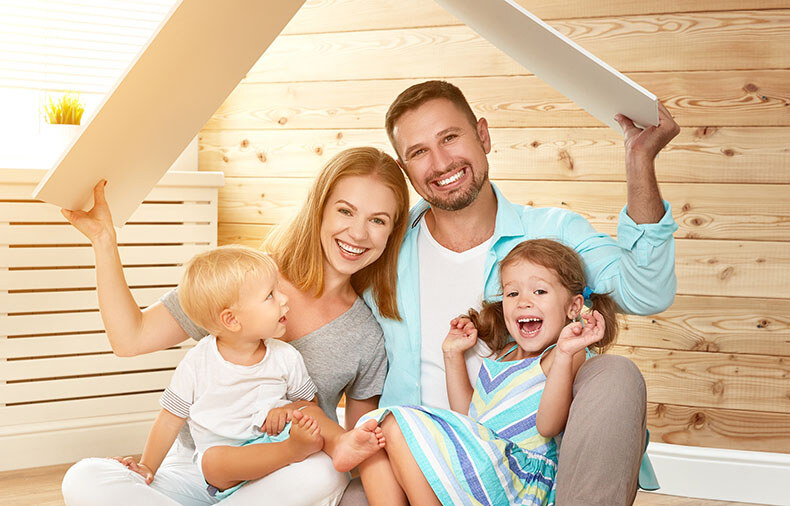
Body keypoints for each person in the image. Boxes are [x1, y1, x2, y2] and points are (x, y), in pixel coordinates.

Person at [359, 80, 679, 504]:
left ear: (484, 136)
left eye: (450, 137)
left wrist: (640, 162)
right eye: (419, 152)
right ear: (406, 168)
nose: (440, 162)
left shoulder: (551, 233)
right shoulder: (383, 246)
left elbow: (647, 293)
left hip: (525, 467)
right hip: (417, 463)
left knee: (616, 375)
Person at [61, 147, 410, 506]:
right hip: (198, 468)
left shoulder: (365, 333)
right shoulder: (243, 278)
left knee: (325, 471)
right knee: (85, 478)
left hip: (283, 473)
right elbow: (130, 338)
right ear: (319, 210)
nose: (358, 233)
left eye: (378, 220)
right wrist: (104, 241)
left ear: (392, 231)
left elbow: (353, 440)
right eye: (345, 211)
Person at [354, 239, 619, 505]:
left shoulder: (564, 355)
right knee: (375, 431)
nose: (523, 302)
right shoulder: (503, 354)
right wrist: (452, 354)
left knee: (394, 422)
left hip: (518, 478)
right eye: (512, 293)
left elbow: (548, 425)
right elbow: (471, 417)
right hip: (486, 465)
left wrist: (563, 353)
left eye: (539, 291)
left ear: (573, 307)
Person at [121, 245, 330, 500]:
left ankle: (344, 444)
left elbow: (309, 403)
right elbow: (169, 419)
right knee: (213, 460)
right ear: (231, 320)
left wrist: (287, 410)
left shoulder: (285, 355)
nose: (284, 299)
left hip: (269, 448)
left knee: (314, 415)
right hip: (227, 466)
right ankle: (292, 450)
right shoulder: (198, 362)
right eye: (270, 295)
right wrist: (147, 467)